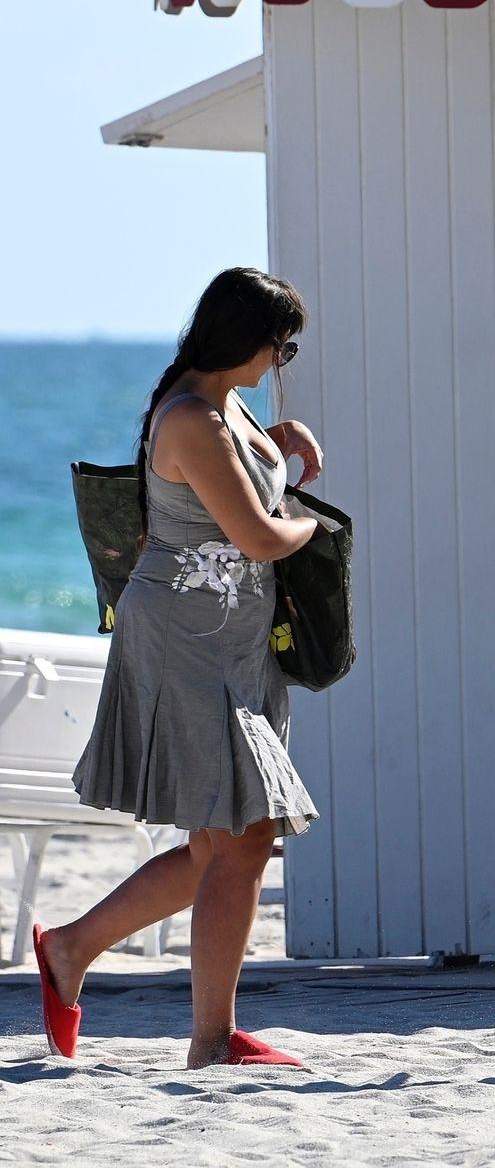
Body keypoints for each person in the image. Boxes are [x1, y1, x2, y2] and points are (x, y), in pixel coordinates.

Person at [37, 268, 323, 1069]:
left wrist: (287, 437)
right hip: (186, 641)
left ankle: (70, 948)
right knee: (244, 835)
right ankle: (211, 1039)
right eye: (281, 346)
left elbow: (249, 474)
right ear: (247, 339)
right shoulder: (193, 416)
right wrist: (309, 524)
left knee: (220, 843)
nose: (282, 360)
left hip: (230, 640)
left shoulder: (228, 403)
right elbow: (260, 536)